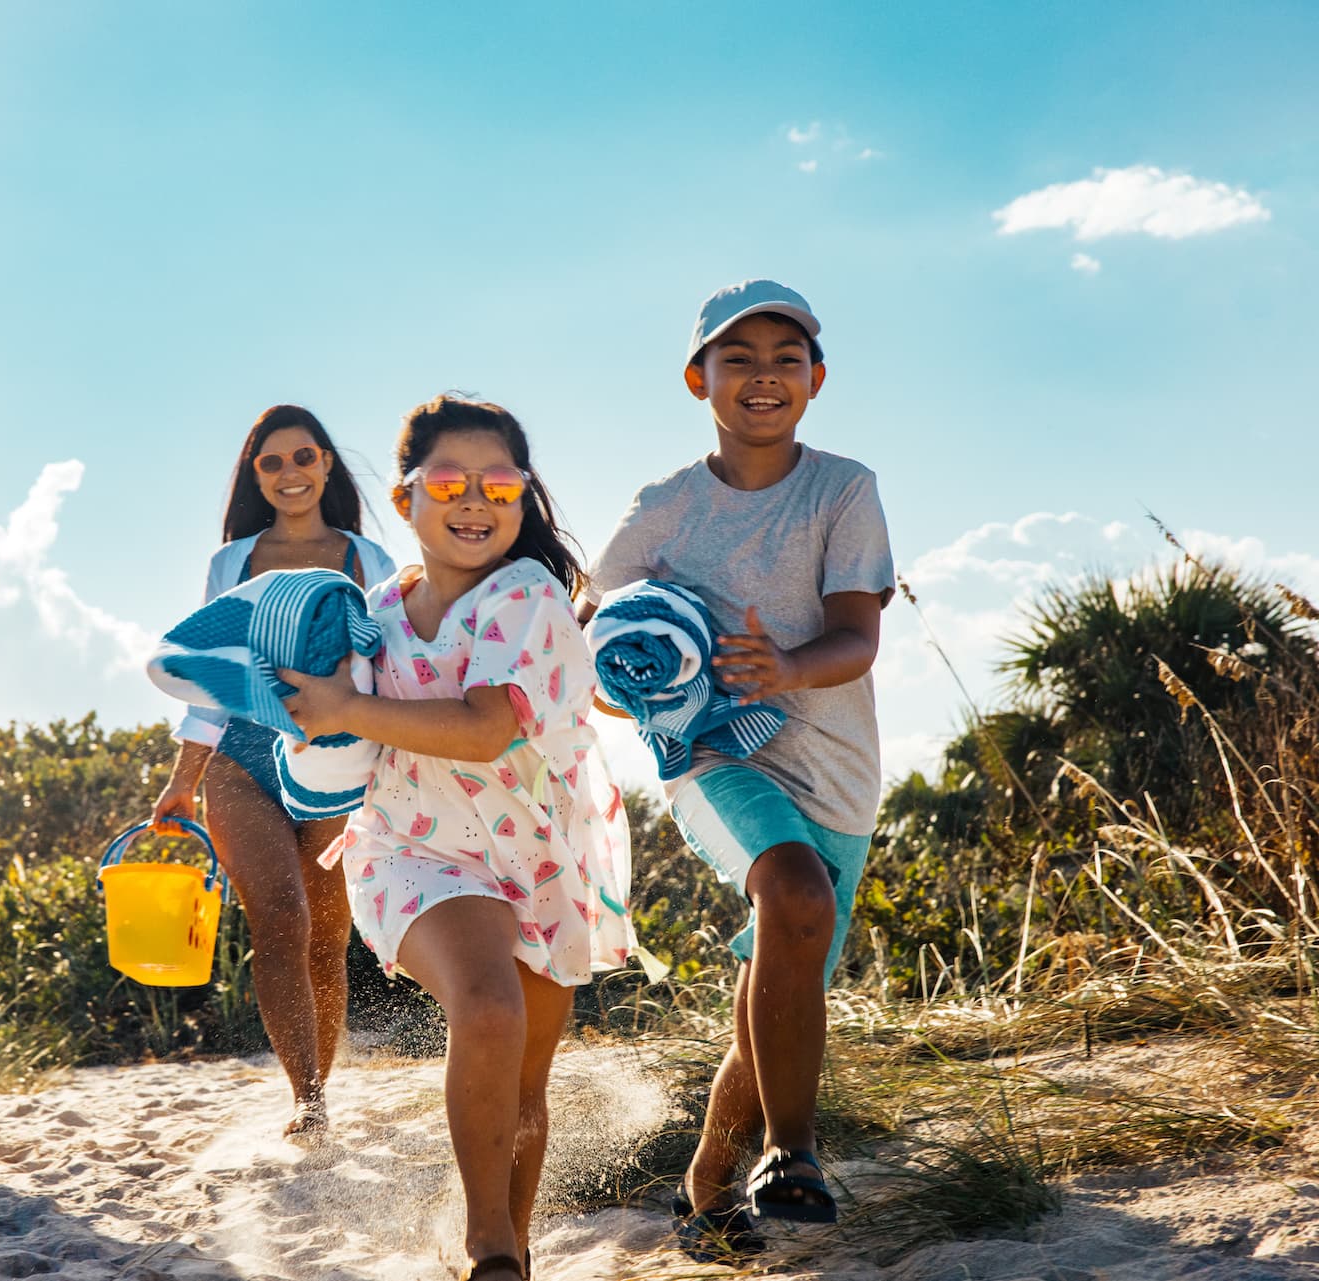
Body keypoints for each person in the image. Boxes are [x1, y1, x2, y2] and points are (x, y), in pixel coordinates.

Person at [281, 395, 633, 1281]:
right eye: (449, 481)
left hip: (539, 852)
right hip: (415, 848)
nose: (475, 499)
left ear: (522, 497)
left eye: (499, 484)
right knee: (486, 1008)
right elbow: (327, 722)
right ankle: (489, 1250)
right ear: (406, 502)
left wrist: (348, 708)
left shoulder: (527, 595)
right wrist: (310, 720)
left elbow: (485, 730)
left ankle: (509, 1246)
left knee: (521, 1083)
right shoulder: (374, 608)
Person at [581, 281, 895, 1252]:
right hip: (713, 761)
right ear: (697, 377)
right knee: (793, 897)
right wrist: (644, 676)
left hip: (837, 770)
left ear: (817, 378)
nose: (763, 374)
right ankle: (793, 1156)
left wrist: (787, 667)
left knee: (782, 981)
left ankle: (709, 1188)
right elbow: (590, 636)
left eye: (785, 357)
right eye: (738, 356)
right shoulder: (666, 508)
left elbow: (856, 635)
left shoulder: (843, 488)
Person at [151, 404, 394, 1138]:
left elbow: (391, 668)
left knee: (327, 932)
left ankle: (321, 1086)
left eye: (302, 457)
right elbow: (209, 676)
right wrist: (183, 777)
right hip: (242, 759)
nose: (289, 473)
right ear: (255, 476)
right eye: (271, 462)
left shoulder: (367, 559)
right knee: (279, 919)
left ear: (326, 464)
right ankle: (308, 1099)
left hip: (335, 759)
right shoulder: (231, 562)